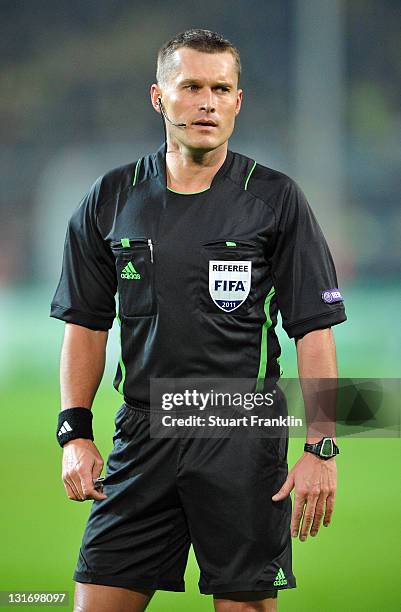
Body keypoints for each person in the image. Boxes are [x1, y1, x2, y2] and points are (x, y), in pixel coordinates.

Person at [51, 29, 346, 612]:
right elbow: (85, 324)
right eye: (191, 87)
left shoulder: (275, 198)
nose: (207, 102)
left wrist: (322, 446)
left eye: (221, 88)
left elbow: (313, 329)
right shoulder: (110, 198)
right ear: (159, 97)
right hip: (142, 434)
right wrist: (74, 432)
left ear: (239, 101)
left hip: (242, 436)